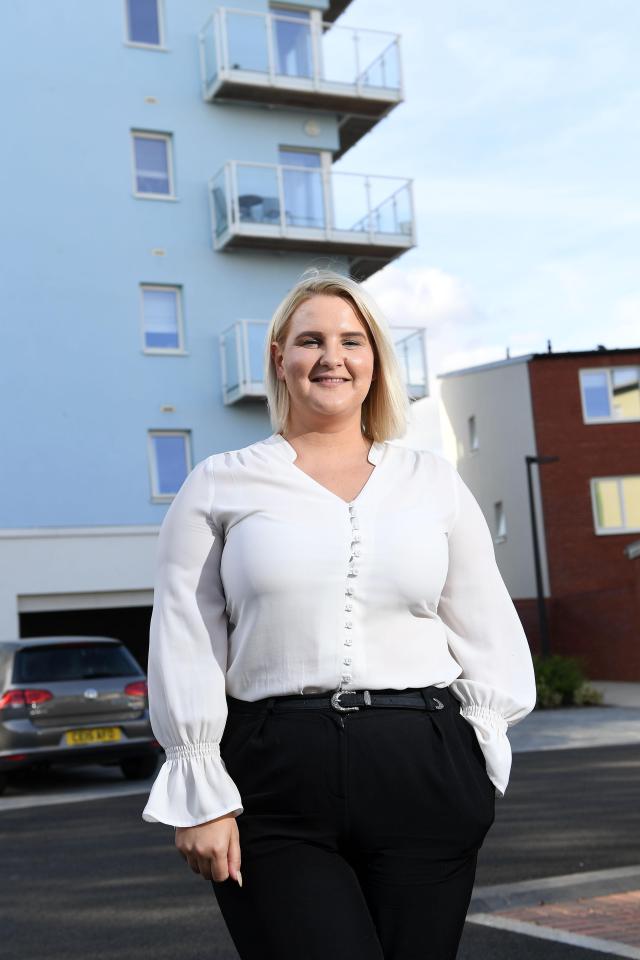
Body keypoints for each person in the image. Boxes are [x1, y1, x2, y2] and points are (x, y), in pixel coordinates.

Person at [141, 267, 537, 960]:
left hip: (425, 769)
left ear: (375, 360)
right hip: (275, 776)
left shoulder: (433, 483)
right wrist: (199, 779)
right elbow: (185, 636)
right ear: (279, 358)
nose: (332, 357)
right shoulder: (219, 483)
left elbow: (488, 629)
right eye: (310, 340)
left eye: (353, 341)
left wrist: (476, 761)